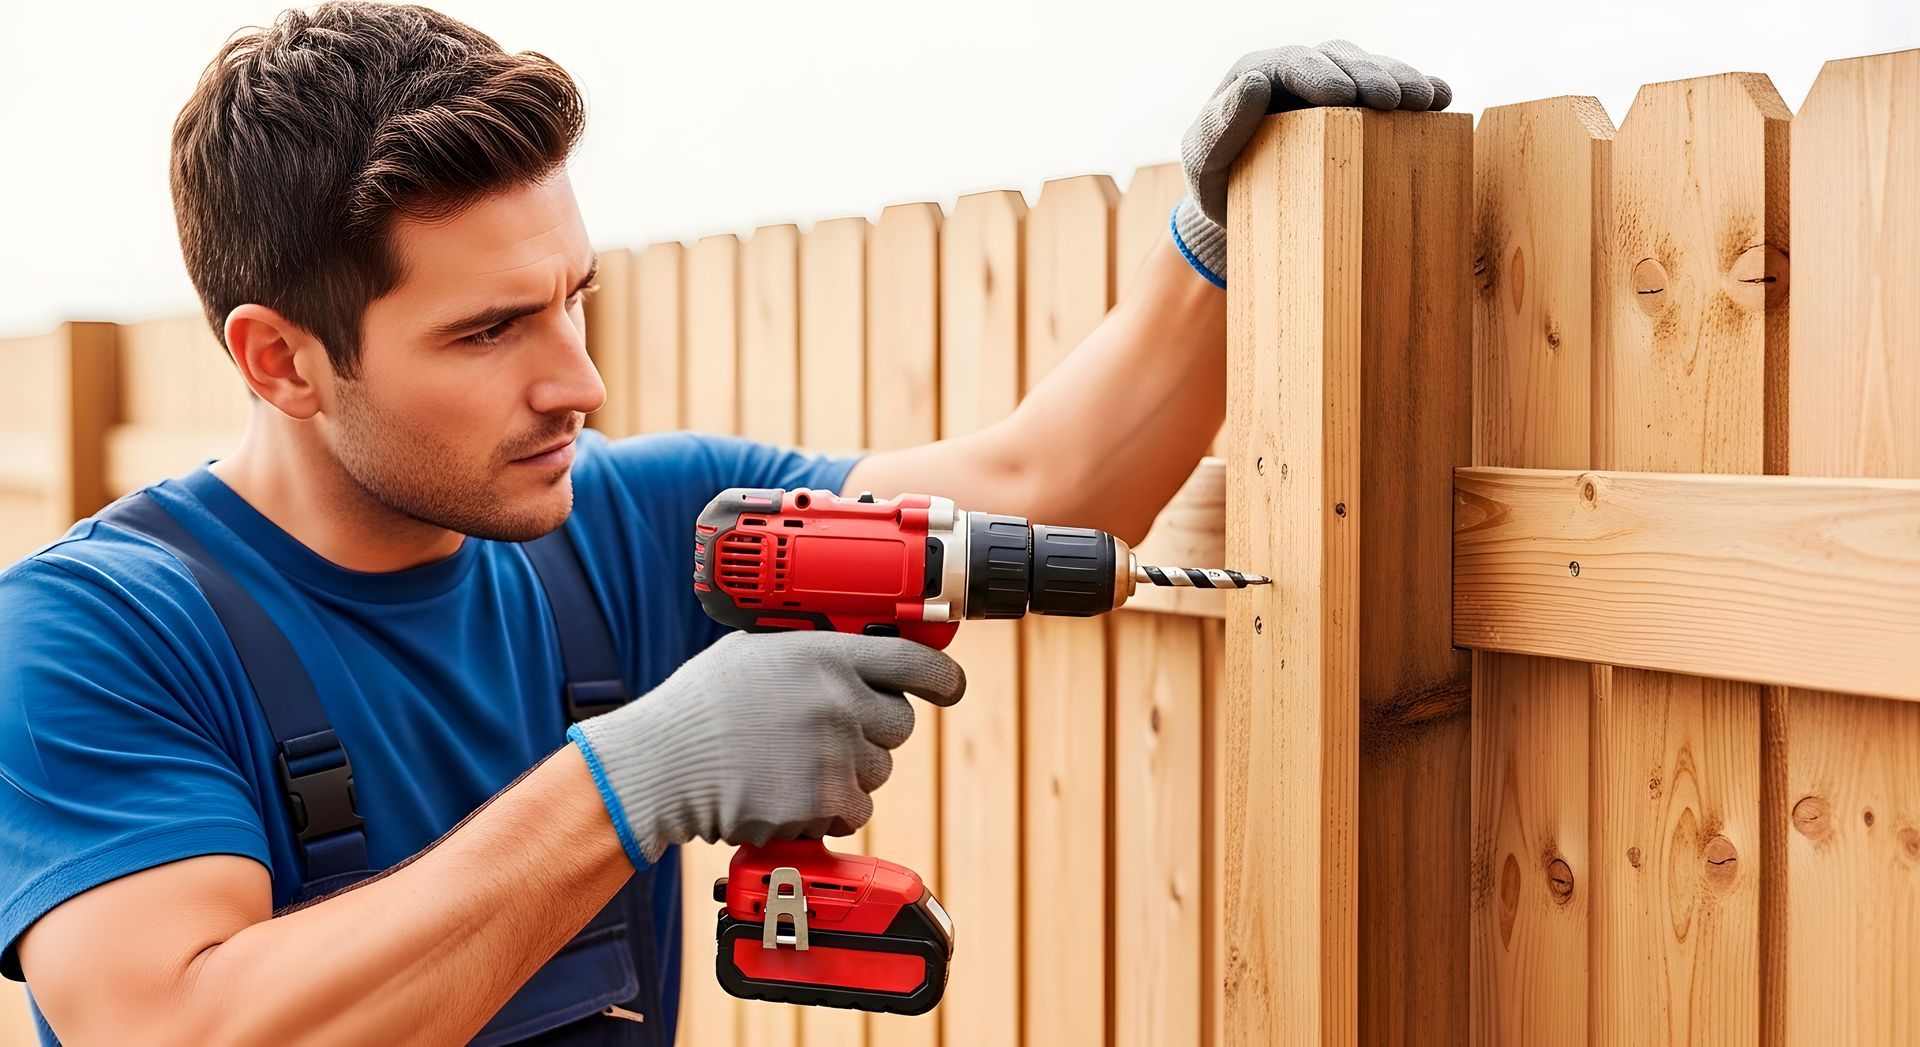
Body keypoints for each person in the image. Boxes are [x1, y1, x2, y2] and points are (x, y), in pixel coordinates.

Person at [0, 4, 1449, 1043]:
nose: (579, 381)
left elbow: (1043, 490)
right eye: (492, 328)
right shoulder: (96, 634)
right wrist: (635, 778)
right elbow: (179, 1030)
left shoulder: (637, 524)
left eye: (572, 298)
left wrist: (1213, 243)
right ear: (281, 360)